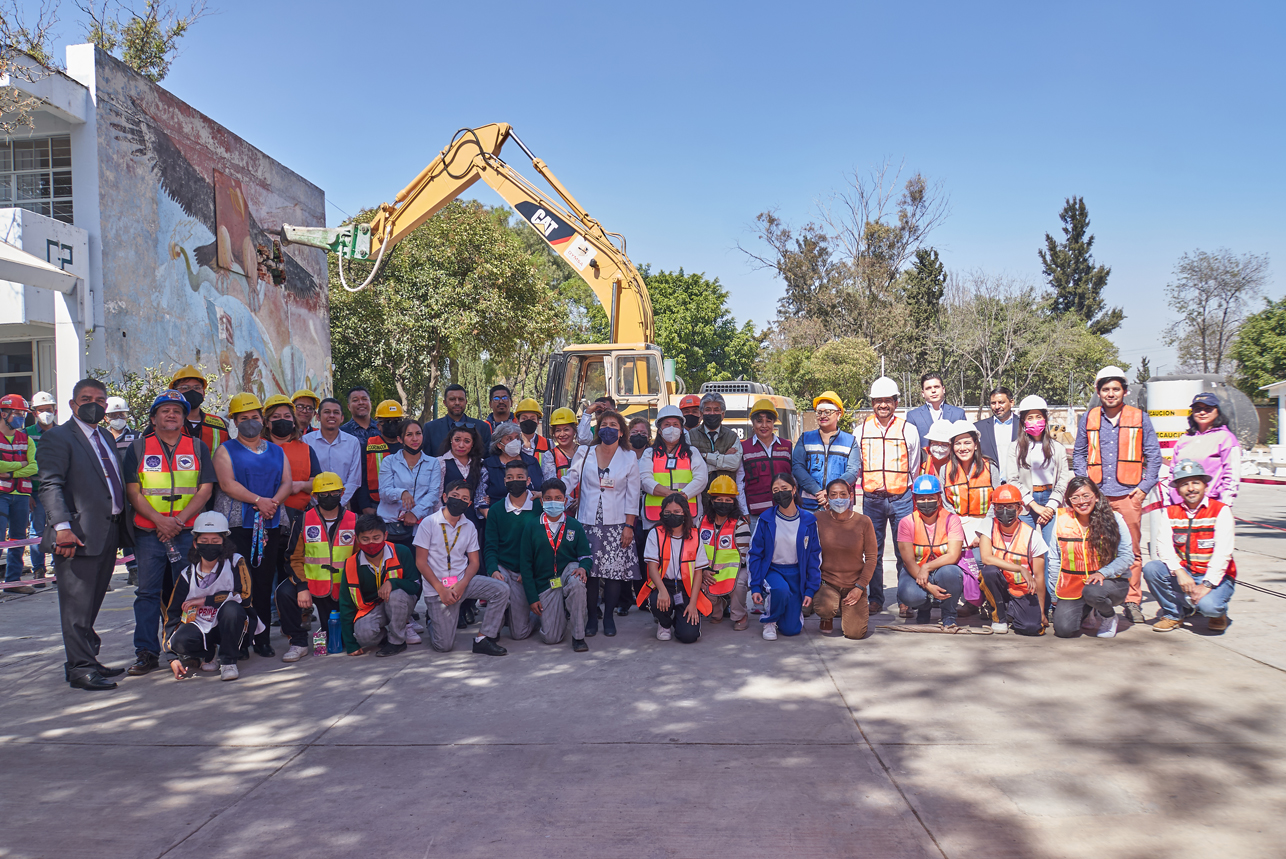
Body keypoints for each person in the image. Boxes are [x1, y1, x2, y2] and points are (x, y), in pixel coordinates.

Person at [37, 378, 130, 690]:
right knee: (76, 608)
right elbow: (49, 484)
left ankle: (85, 658)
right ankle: (80, 669)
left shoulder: (104, 434)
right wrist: (62, 528)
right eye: (86, 398)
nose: (94, 403)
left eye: (100, 399)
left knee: (91, 604)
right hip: (75, 536)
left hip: (107, 533)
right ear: (73, 404)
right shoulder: (58, 438)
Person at [122, 390, 216, 676]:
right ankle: (147, 653)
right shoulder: (137, 448)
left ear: (184, 417)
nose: (172, 414)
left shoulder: (198, 447)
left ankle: (186, 649)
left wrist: (178, 520)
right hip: (149, 532)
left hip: (187, 532)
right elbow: (132, 491)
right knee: (148, 593)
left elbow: (206, 488)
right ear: (153, 418)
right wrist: (160, 521)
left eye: (177, 410)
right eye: (165, 410)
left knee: (187, 593)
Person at [1072, 366, 1162, 624]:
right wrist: (1086, 485)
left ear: (1124, 390)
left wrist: (1143, 488)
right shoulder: (1089, 418)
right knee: (1096, 547)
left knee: (1131, 548)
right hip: (1097, 496)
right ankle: (1096, 596)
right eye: (1106, 389)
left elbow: (1154, 456)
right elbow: (1079, 453)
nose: (1111, 394)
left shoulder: (1139, 417)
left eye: (1115, 389)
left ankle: (1132, 600)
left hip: (1127, 495)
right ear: (1098, 392)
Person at [212, 392, 291, 657]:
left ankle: (263, 638)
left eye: (254, 417)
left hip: (268, 524)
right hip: (237, 527)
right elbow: (227, 484)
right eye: (243, 418)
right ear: (234, 421)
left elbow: (286, 483)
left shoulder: (277, 451)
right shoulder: (225, 450)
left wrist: (273, 504)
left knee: (263, 581)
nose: (250, 422)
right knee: (237, 583)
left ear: (263, 420)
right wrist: (259, 500)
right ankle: (240, 640)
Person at [563, 410, 642, 636]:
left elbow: (633, 493)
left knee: (613, 573)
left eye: (613, 424)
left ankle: (609, 618)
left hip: (617, 523)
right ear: (598, 429)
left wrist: (629, 526)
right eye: (604, 424)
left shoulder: (629, 456)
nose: (608, 428)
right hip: (587, 522)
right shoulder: (584, 452)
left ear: (621, 431)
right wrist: (556, 491)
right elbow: (571, 478)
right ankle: (592, 617)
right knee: (591, 573)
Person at [413, 480, 510, 655]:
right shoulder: (428, 523)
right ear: (445, 497)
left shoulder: (469, 526)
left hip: (462, 583)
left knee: (501, 589)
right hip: (438, 589)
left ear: (469, 504)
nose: (460, 501)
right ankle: (432, 619)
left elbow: (474, 562)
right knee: (444, 646)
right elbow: (420, 562)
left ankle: (483, 638)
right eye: (455, 496)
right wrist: (441, 590)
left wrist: (462, 583)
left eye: (465, 498)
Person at [161, 511, 258, 681]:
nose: (209, 546)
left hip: (231, 625)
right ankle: (208, 652)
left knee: (232, 609)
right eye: (204, 541)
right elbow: (172, 614)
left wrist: (206, 600)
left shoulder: (236, 562)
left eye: (215, 541)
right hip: (201, 626)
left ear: (224, 543)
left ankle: (228, 661)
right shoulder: (187, 574)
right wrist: (172, 657)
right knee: (179, 641)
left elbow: (244, 596)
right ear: (195, 544)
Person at [1144, 460, 1236, 633]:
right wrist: (1179, 572)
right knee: (1152, 569)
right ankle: (1173, 614)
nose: (1191, 488)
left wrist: (1207, 584)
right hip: (1186, 572)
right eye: (1185, 484)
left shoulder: (1220, 511)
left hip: (1216, 576)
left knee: (1209, 607)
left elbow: (1223, 553)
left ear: (1205, 486)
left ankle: (1218, 613)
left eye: (1196, 483)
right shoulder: (1171, 512)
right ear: (1178, 490)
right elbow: (1163, 547)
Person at [856, 377, 920, 615]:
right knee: (873, 551)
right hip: (872, 500)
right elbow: (859, 464)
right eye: (878, 401)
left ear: (896, 402)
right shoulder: (860, 430)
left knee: (905, 550)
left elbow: (914, 465)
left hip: (901, 498)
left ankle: (906, 597)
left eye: (888, 401)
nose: (883, 405)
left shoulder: (908, 429)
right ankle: (876, 598)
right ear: (872, 402)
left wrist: (904, 490)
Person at [277, 472, 356, 662]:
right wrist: (302, 587)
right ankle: (298, 642)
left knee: (337, 640)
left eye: (334, 493)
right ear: (314, 496)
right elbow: (293, 558)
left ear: (342, 493)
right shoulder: (303, 520)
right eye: (323, 494)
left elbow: (359, 557)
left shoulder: (355, 520)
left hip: (341, 587)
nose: (329, 498)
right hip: (311, 582)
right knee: (283, 592)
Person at [1004, 395, 1070, 609]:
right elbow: (1013, 480)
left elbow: (1062, 480)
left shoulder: (1058, 449)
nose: (1035, 422)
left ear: (1045, 419)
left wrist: (1050, 507)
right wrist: (1033, 504)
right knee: (1026, 552)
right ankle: (1028, 601)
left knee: (1053, 556)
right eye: (1030, 417)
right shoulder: (1015, 448)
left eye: (1038, 417)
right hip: (1026, 505)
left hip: (1052, 502)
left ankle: (1053, 602)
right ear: (1023, 421)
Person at [1048, 476, 1133, 639]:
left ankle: (1108, 616)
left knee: (1093, 592)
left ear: (1096, 495)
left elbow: (1127, 556)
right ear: (1069, 501)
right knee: (1063, 630)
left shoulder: (1115, 519)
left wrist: (1103, 573)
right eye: (1075, 497)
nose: (1081, 501)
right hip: (1073, 586)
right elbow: (1054, 559)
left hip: (1108, 583)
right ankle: (1088, 611)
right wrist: (1054, 594)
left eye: (1086, 495)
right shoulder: (1061, 521)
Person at [518, 478, 592, 651]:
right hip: (546, 583)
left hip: (568, 572)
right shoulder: (532, 527)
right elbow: (526, 565)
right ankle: (562, 613)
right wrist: (532, 598)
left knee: (577, 584)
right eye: (549, 498)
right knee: (551, 638)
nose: (554, 502)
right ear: (542, 500)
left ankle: (578, 636)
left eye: (558, 498)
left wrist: (584, 568)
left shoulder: (574, 525)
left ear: (565, 501)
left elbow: (586, 556)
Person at [747, 473, 821, 640]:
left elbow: (814, 557)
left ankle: (782, 610)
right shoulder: (766, 519)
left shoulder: (809, 520)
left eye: (784, 488)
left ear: (794, 490)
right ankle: (769, 620)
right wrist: (756, 586)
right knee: (779, 589)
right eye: (775, 490)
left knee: (791, 629)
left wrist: (810, 589)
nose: (780, 493)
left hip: (796, 573)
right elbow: (755, 554)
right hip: (773, 570)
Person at [339, 515, 422, 656]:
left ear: (385, 535)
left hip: (401, 602)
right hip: (373, 608)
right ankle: (387, 636)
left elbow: (415, 586)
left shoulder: (401, 551)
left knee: (396, 595)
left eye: (376, 538)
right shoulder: (351, 564)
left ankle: (397, 641)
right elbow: (346, 604)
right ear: (357, 539)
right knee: (363, 634)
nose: (371, 543)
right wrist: (351, 643)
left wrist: (392, 583)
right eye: (365, 539)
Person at [265, 395, 320, 606]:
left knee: (292, 565)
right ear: (267, 422)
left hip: (297, 518)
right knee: (267, 568)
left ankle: (294, 611)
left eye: (287, 416)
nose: (282, 420)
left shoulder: (306, 449)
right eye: (276, 416)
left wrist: (299, 485)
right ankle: (269, 610)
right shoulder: (258, 447)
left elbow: (317, 480)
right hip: (265, 517)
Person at [895, 475, 967, 629]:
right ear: (914, 499)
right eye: (921, 498)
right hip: (915, 571)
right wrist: (929, 587)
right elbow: (908, 561)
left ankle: (949, 614)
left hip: (942, 568)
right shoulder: (907, 522)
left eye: (930, 497)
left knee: (951, 574)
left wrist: (927, 568)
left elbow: (953, 555)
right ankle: (924, 607)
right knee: (909, 594)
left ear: (939, 498)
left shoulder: (952, 520)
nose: (926, 502)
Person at [640, 492, 712, 643]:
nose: (672, 515)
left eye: (677, 512)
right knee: (656, 601)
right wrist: (662, 591)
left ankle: (681, 617)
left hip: (687, 587)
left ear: (685, 514)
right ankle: (664, 624)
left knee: (688, 636)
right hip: (663, 583)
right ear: (662, 514)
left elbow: (698, 572)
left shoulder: (695, 535)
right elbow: (652, 568)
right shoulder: (655, 533)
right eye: (667, 512)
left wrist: (693, 604)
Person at [484, 460, 544, 641]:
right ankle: (493, 626)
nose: (514, 481)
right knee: (498, 587)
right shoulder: (496, 510)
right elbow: (490, 545)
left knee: (519, 633)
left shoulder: (539, 507)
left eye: (519, 477)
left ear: (528, 480)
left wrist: (529, 571)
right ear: (504, 481)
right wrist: (493, 570)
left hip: (526, 571)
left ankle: (535, 616)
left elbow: (544, 545)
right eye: (510, 477)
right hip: (504, 567)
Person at [977, 484, 1047, 635]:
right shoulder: (988, 525)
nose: (1004, 511)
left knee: (1030, 627)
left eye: (1009, 506)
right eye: (1000, 507)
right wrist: (1020, 568)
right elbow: (986, 558)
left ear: (1019, 509)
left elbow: (1039, 577)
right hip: (999, 585)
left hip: (1021, 590)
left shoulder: (1033, 536)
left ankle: (1011, 612)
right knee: (989, 571)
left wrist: (1041, 611)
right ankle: (999, 617)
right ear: (994, 509)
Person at [813, 478, 878, 639]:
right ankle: (827, 616)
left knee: (855, 634)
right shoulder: (818, 519)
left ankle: (846, 607)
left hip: (854, 585)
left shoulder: (864, 521)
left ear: (850, 496)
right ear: (826, 498)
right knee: (825, 606)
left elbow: (871, 558)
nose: (838, 498)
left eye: (843, 494)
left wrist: (860, 588)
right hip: (827, 584)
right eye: (833, 495)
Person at [641, 405, 708, 534]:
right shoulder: (649, 453)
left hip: (687, 516)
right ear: (659, 430)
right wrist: (670, 494)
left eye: (675, 424)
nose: (671, 428)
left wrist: (682, 496)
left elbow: (701, 479)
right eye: (667, 424)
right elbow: (644, 480)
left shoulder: (692, 452)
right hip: (655, 518)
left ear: (682, 429)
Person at [697, 475, 753, 628]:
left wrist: (722, 572)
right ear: (712, 500)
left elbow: (744, 556)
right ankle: (718, 607)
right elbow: (694, 549)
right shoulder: (701, 521)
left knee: (739, 583)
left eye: (728, 500)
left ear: (734, 502)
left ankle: (740, 615)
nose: (723, 503)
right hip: (707, 569)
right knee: (698, 580)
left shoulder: (741, 524)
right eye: (719, 499)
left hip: (735, 570)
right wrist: (703, 571)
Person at [936, 419, 1002, 548]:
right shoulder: (945, 470)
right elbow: (945, 503)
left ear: (976, 445)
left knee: (981, 560)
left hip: (985, 524)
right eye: (957, 444)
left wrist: (982, 531)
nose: (962, 448)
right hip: (956, 524)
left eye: (967, 443)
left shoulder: (990, 468)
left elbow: (996, 502)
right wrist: (956, 528)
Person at [792, 390, 860, 514]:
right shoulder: (805, 439)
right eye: (819, 412)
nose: (823, 416)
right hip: (809, 506)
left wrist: (831, 492)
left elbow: (853, 471)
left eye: (828, 412)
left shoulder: (850, 441)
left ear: (838, 414)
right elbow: (797, 468)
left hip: (840, 505)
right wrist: (818, 492)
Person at [1167, 392, 1240, 507]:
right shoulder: (1184, 438)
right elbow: (1172, 472)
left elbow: (1231, 476)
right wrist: (1170, 499)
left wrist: (1224, 505)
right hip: (1180, 505)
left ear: (1217, 411)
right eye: (1198, 409)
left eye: (1208, 409)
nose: (1202, 412)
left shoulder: (1226, 438)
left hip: (1211, 505)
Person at [377, 419, 443, 546]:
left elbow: (433, 495)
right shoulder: (389, 461)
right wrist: (402, 493)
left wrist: (415, 513)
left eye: (418, 433)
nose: (415, 438)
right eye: (409, 435)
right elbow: (384, 492)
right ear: (400, 439)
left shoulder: (433, 463)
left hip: (421, 527)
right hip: (392, 526)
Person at [736, 398, 793, 528]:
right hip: (756, 515)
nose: (764, 425)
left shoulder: (787, 446)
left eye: (768, 421)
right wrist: (744, 511)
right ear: (752, 423)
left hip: (784, 511)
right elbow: (739, 482)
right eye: (759, 421)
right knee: (758, 548)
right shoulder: (744, 448)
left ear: (774, 423)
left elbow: (793, 476)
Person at [0, 394, 37, 592]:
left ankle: (12, 582)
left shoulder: (26, 439)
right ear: (4, 413)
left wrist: (11, 471)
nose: (22, 417)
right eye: (17, 413)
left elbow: (33, 467)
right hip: (1, 494)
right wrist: (21, 464)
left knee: (18, 539)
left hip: (22, 495)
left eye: (23, 413)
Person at [23, 390, 57, 589]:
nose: (45, 413)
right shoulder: (26, 434)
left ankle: (56, 565)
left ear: (55, 410)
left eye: (48, 410)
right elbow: (22, 463)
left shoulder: (62, 433)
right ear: (34, 413)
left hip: (56, 491)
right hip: (35, 491)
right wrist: (27, 493)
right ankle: (38, 568)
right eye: (41, 410)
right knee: (36, 530)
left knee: (57, 527)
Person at [305, 397, 362, 509]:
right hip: (313, 505)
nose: (331, 415)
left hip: (343, 504)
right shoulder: (306, 441)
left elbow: (354, 480)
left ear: (342, 418)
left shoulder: (353, 442)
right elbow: (304, 476)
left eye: (336, 412)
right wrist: (318, 502)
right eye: (327, 412)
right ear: (318, 417)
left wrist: (339, 502)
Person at [689, 392, 743, 508]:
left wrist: (704, 457)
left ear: (722, 414)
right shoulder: (690, 436)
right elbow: (689, 466)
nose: (712, 413)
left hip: (725, 498)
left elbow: (734, 464)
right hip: (698, 498)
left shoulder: (732, 436)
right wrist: (723, 458)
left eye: (716, 410)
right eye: (708, 409)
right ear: (701, 414)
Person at [480, 422, 545, 517]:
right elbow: (480, 499)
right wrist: (491, 518)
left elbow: (544, 487)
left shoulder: (531, 462)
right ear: (499, 444)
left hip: (532, 517)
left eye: (517, 438)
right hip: (500, 517)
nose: (514, 442)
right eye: (509, 439)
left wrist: (541, 494)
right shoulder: (489, 465)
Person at [356, 400, 405, 515]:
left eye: (396, 421)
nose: (392, 425)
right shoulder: (368, 446)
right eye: (387, 421)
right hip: (375, 504)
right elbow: (360, 478)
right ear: (378, 426)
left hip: (406, 505)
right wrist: (365, 506)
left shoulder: (409, 446)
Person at [439, 424, 485, 538]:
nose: (461, 445)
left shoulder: (481, 464)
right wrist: (440, 518)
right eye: (457, 440)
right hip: (447, 518)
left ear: (473, 443)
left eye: (467, 441)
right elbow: (437, 494)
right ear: (451, 440)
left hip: (472, 519)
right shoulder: (441, 463)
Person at [170, 365, 229, 454]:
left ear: (203, 393)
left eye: (197, 388)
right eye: (185, 388)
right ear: (174, 393)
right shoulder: (164, 422)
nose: (192, 391)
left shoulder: (218, 425)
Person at [425, 384, 493, 456]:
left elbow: (487, 459)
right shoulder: (430, 428)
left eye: (460, 399)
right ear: (445, 403)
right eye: (452, 399)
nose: (457, 403)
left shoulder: (482, 427)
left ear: (466, 402)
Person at [905, 371, 966, 442]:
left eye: (936, 387)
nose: (933, 390)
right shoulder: (913, 416)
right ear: (923, 393)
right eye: (928, 388)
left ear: (943, 389)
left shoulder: (958, 414)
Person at [975, 386, 1018, 468]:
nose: (997, 407)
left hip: (1018, 479)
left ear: (1011, 402)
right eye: (993, 403)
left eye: (1001, 402)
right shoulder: (979, 428)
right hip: (989, 478)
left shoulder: (1023, 426)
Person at [541, 407, 580, 483]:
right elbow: (551, 484)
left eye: (566, 429)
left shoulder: (584, 452)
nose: (562, 434)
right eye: (558, 430)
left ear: (574, 430)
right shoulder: (550, 456)